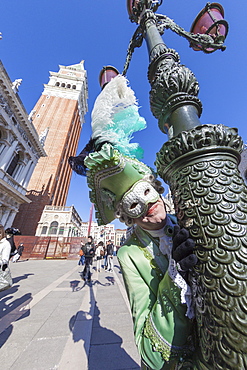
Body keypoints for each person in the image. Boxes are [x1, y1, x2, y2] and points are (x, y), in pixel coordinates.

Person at [68, 74, 197, 369]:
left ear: (157, 187)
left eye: (148, 193)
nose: (149, 207)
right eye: (134, 207)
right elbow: (150, 354)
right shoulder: (130, 254)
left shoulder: (192, 215)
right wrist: (174, 274)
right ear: (126, 217)